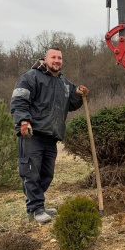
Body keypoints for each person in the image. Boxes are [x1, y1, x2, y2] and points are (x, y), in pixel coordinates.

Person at [10, 47, 89, 223]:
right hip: (32, 133)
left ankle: (38, 205)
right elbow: (18, 101)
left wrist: (79, 93)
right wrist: (23, 121)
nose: (57, 60)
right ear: (46, 59)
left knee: (47, 174)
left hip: (51, 135)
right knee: (31, 171)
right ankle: (36, 208)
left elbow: (71, 103)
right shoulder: (30, 77)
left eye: (59, 58)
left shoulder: (63, 83)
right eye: (53, 57)